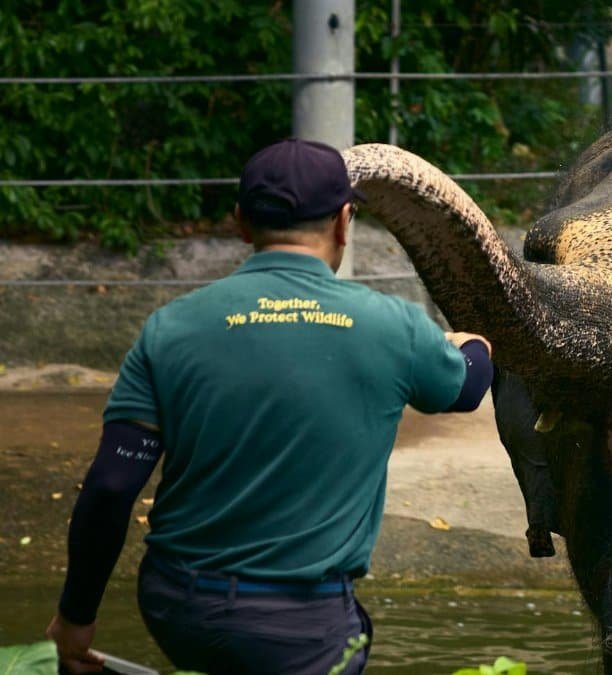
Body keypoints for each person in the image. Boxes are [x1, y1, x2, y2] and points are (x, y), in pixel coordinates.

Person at [45, 138, 495, 674]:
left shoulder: (170, 328)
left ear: (240, 222)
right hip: (302, 626)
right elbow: (466, 390)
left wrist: (76, 618)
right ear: (344, 222)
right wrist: (475, 346)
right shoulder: (391, 326)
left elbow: (112, 487)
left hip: (176, 607)